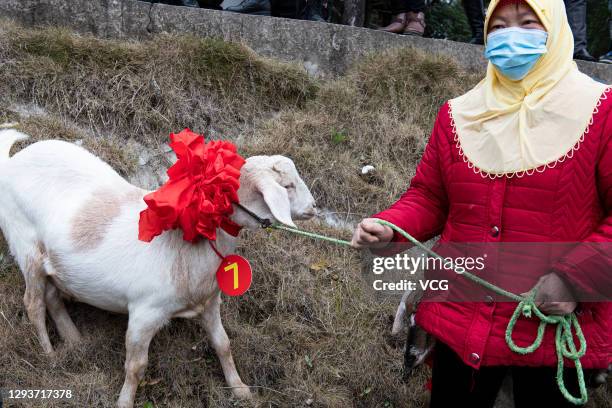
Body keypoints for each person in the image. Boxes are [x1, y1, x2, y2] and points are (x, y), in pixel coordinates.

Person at [352, 0, 611, 406]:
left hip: (550, 334)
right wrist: (391, 227)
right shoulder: (459, 114)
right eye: (500, 26)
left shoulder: (602, 113)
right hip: (459, 323)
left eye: (528, 24)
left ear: (556, 30)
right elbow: (430, 195)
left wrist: (575, 280)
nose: (512, 37)